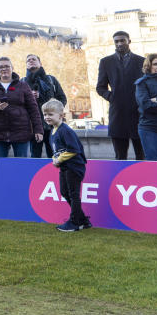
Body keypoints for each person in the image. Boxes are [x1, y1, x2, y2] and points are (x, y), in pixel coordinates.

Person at [96, 31, 145, 160]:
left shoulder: (142, 61)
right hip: (118, 114)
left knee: (142, 156)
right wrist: (112, 97)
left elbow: (148, 85)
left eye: (122, 40)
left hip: (138, 113)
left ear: (129, 41)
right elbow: (100, 87)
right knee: (120, 156)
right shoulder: (106, 62)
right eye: (116, 41)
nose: (119, 43)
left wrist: (143, 100)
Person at [0, 57, 42, 158]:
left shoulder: (23, 85)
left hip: (21, 132)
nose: (4, 69)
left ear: (12, 67)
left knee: (21, 166)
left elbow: (33, 109)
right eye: (1, 67)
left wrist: (38, 130)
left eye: (6, 66)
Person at [44, 98, 90, 232]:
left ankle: (75, 222)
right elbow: (56, 150)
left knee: (73, 194)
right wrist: (54, 158)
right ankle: (83, 220)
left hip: (74, 167)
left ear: (61, 115)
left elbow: (73, 150)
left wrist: (59, 159)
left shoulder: (65, 130)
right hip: (65, 167)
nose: (47, 117)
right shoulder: (53, 131)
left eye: (50, 114)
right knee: (64, 192)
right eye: (45, 114)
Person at [22, 55, 67, 158]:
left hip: (52, 126)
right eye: (28, 60)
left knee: (55, 156)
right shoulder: (22, 82)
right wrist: (28, 98)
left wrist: (48, 102)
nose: (31, 61)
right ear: (26, 65)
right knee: (35, 157)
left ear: (40, 63)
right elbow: (17, 104)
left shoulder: (51, 80)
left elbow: (62, 99)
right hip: (32, 127)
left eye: (34, 59)